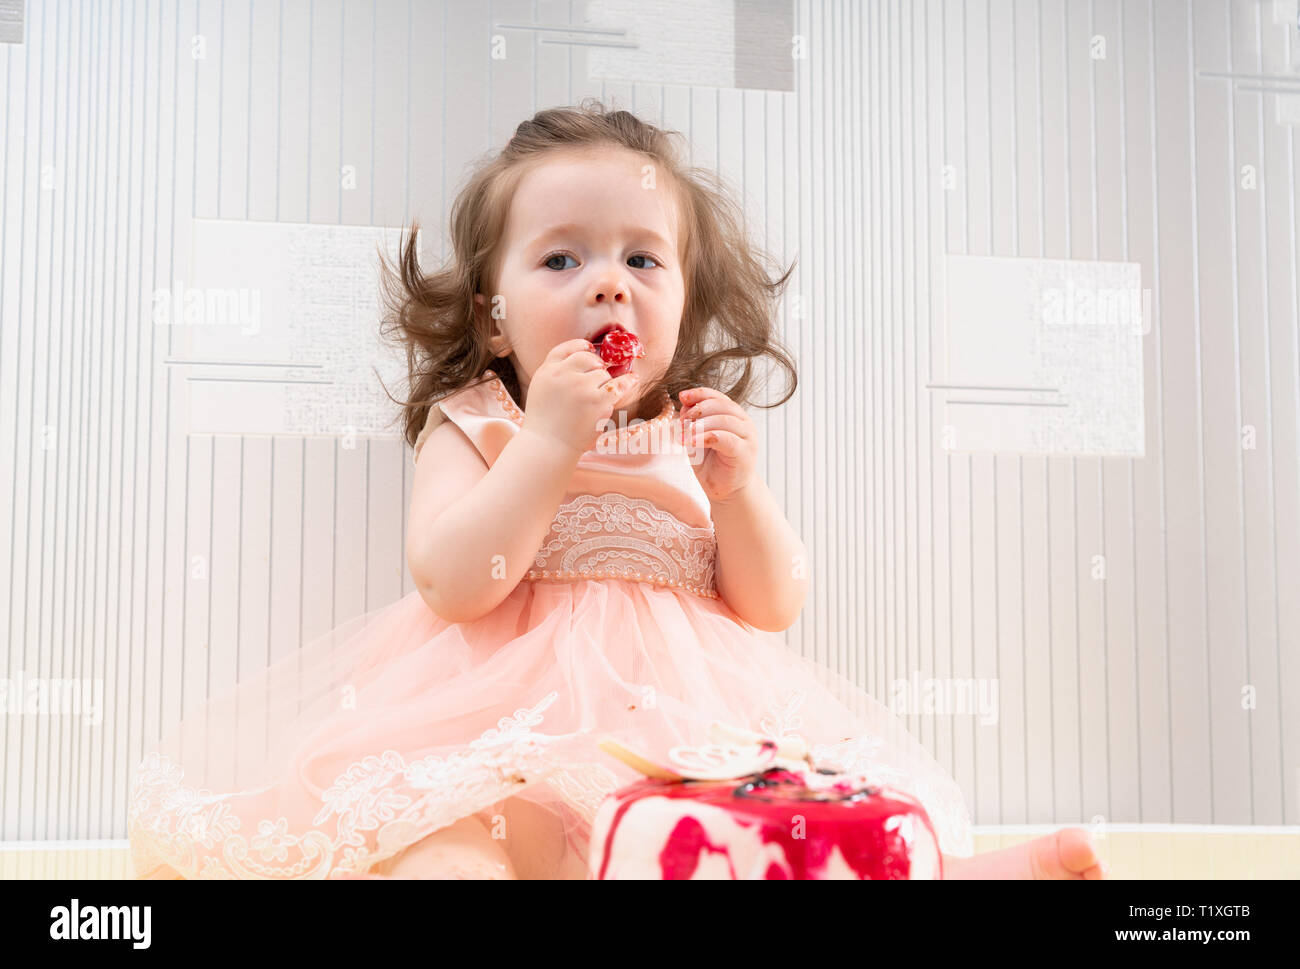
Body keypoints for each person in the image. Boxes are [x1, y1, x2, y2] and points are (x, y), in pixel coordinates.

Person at [127, 99, 1106, 880]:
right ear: (495, 316)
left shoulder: (687, 434)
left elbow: (769, 605)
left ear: (681, 299)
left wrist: (739, 495)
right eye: (562, 258)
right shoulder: (476, 423)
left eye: (642, 258)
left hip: (683, 728)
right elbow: (454, 584)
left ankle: (958, 871)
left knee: (769, 829)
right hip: (499, 731)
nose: (608, 283)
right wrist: (546, 442)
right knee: (458, 844)